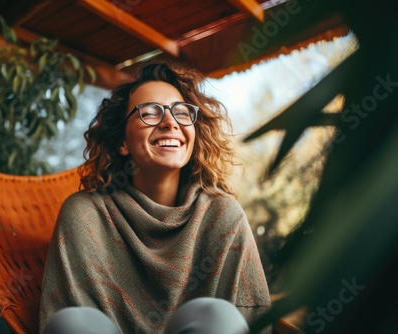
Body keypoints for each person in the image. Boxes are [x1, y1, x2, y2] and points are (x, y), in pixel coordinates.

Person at [39, 61, 271, 334]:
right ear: (122, 142)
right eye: (150, 112)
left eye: (182, 113)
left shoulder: (222, 215)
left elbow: (253, 321)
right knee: (72, 322)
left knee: (218, 317)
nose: (170, 122)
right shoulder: (84, 215)